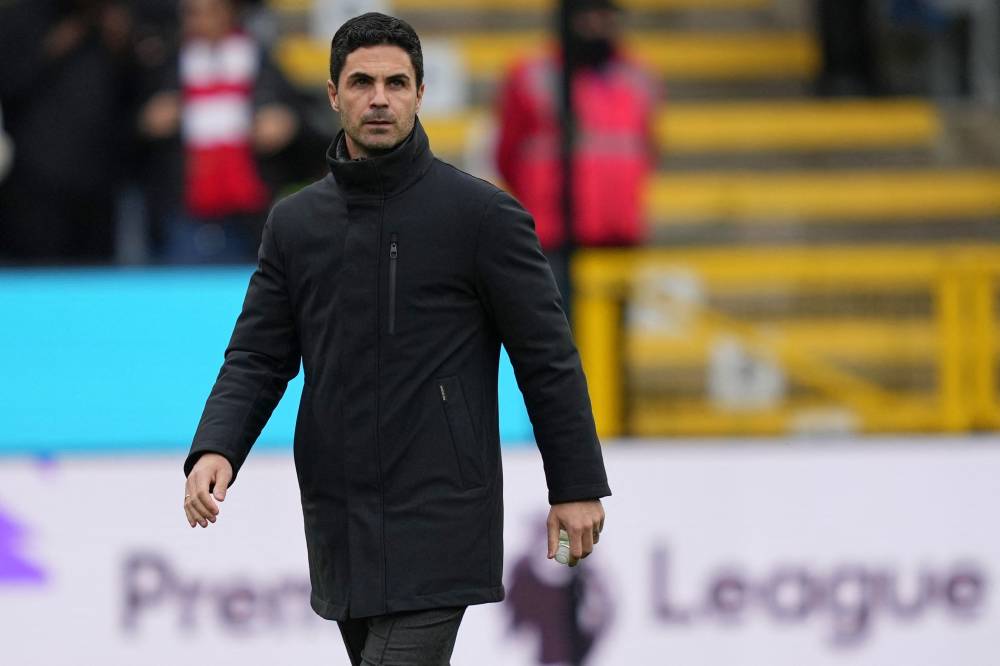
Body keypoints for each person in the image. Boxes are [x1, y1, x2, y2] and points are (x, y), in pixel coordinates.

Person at [181, 12, 611, 665]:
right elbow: (258, 355)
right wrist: (216, 446)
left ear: (419, 93)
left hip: (443, 511)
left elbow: (547, 358)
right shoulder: (295, 225)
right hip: (339, 513)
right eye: (360, 82)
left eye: (396, 82)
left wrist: (574, 485)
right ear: (333, 94)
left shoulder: (483, 217)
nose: (378, 98)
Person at [495, 0, 659, 293]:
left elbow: (648, 147)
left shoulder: (639, 75)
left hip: (618, 228)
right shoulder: (531, 73)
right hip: (553, 231)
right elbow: (507, 152)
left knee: (611, 329)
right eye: (588, 15)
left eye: (605, 15)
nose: (597, 25)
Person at [136, 0, 305, 263]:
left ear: (230, 12)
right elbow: (118, 130)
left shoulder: (261, 61)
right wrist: (145, 123)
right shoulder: (163, 65)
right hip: (184, 211)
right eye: (192, 13)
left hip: (253, 211)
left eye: (209, 12)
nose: (199, 21)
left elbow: (308, 123)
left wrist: (288, 123)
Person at [0, 0, 135, 263]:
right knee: (37, 278)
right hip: (37, 181)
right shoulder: (20, 18)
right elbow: (9, 85)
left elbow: (130, 100)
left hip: (100, 182)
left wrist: (123, 47)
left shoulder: (111, 22)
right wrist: (51, 47)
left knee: (98, 281)